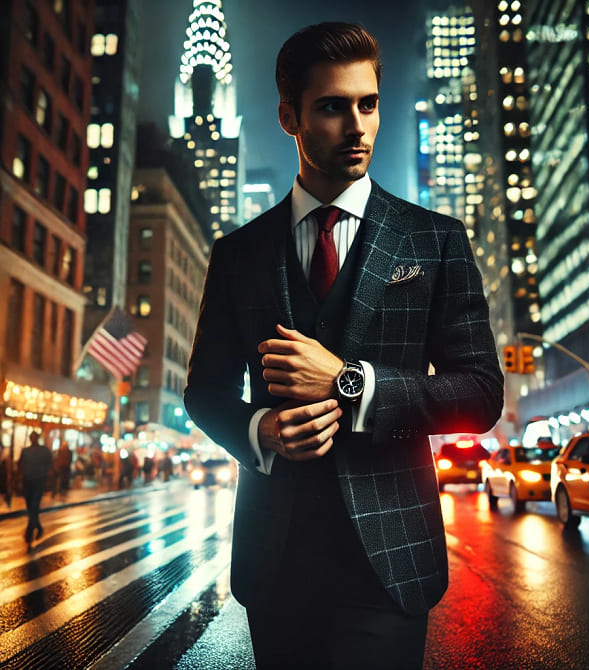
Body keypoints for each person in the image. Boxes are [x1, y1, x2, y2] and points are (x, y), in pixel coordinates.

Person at [184, 22, 503, 670]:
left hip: (389, 566)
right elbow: (205, 392)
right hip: (275, 564)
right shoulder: (238, 254)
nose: (357, 126)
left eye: (368, 103)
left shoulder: (434, 241)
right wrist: (262, 430)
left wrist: (350, 382)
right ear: (288, 116)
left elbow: (480, 393)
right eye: (332, 107)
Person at [18, 431, 52, 548]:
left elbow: (50, 464)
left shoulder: (44, 451)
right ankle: (38, 527)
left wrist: (47, 476)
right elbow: (20, 465)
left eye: (34, 437)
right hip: (27, 482)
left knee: (34, 506)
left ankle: (29, 533)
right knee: (30, 508)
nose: (32, 439)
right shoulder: (25, 451)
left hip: (39, 481)